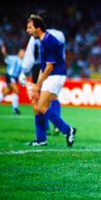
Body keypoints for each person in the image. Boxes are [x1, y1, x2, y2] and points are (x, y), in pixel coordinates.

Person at [25, 14, 76, 147]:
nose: (27, 30)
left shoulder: (49, 42)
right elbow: (44, 67)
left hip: (56, 75)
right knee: (36, 107)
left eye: (30, 27)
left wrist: (38, 85)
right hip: (50, 75)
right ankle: (41, 139)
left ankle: (68, 130)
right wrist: (37, 84)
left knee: (41, 106)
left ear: (38, 28)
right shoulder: (42, 40)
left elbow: (49, 67)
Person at [20, 26, 66, 136]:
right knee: (53, 97)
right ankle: (57, 126)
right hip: (58, 68)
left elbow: (29, 57)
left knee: (38, 101)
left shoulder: (37, 36)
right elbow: (62, 53)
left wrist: (24, 72)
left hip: (40, 67)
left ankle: (45, 130)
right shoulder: (60, 34)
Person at [0, 45, 25, 115]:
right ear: (19, 53)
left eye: (24, 53)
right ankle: (15, 108)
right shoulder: (14, 58)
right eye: (22, 52)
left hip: (15, 78)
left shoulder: (23, 62)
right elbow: (6, 57)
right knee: (16, 90)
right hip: (10, 76)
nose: (23, 54)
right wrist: (4, 52)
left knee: (6, 92)